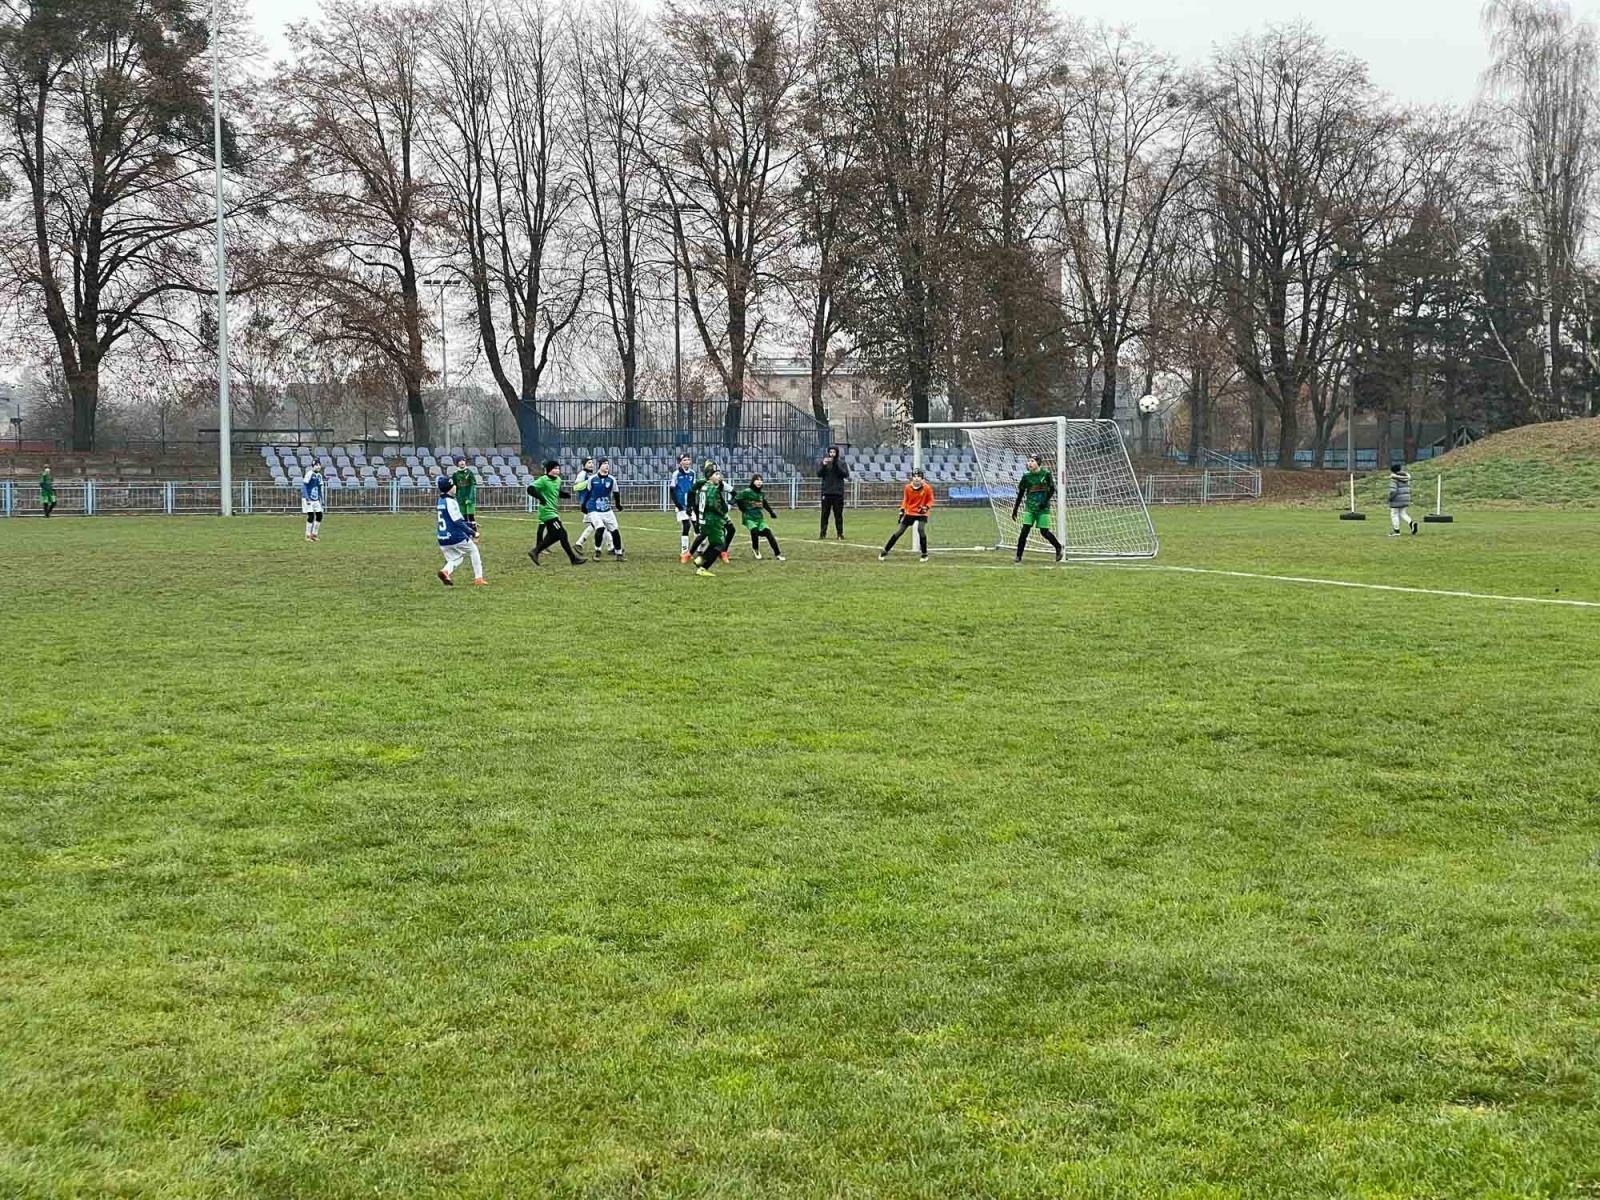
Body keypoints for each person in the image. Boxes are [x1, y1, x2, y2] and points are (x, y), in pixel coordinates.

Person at [526, 461, 587, 566]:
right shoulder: (543, 480)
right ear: (549, 470)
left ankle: (535, 551)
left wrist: (564, 494)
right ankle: (573, 559)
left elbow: (556, 492)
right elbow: (530, 489)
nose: (557, 470)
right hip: (547, 512)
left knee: (555, 535)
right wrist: (541, 498)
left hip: (553, 511)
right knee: (562, 533)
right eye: (555, 468)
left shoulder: (558, 480)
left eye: (558, 468)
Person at [1011, 454, 1064, 563]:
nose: (1029, 463)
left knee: (1044, 532)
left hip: (1043, 508)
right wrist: (1015, 509)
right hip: (1030, 507)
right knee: (1024, 531)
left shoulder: (1046, 474)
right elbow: (1021, 494)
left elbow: (1052, 489)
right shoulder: (1026, 476)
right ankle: (1018, 556)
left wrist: (1044, 501)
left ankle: (1058, 547)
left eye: (1032, 461)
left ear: (1038, 463)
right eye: (1028, 461)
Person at [436, 476, 486, 586]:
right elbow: (457, 521)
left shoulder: (441, 500)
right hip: (454, 536)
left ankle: (445, 571)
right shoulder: (451, 502)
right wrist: (473, 533)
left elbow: (450, 519)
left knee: (456, 559)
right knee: (473, 550)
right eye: (454, 485)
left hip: (442, 538)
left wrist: (470, 524)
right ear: (450, 488)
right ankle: (479, 578)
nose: (455, 487)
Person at [879, 468, 934, 562]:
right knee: (899, 531)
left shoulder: (927, 488)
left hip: (922, 512)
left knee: (920, 529)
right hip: (910, 512)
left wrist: (926, 507)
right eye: (915, 476)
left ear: (922, 479)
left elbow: (931, 500)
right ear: (912, 478)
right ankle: (885, 550)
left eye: (919, 477)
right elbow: (905, 500)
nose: (916, 478)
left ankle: (924, 554)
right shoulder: (908, 488)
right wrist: (902, 511)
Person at [581, 457, 624, 560]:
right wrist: (583, 505)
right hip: (594, 509)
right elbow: (588, 493)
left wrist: (618, 505)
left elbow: (616, 493)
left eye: (608, 463)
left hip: (607, 509)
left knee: (615, 531)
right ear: (600, 466)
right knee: (600, 528)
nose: (607, 465)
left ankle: (619, 553)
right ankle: (597, 551)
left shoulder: (612, 479)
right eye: (604, 463)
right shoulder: (592, 479)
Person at [736, 473, 785, 561]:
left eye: (761, 480)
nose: (759, 482)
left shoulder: (761, 494)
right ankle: (756, 549)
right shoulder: (747, 491)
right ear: (753, 481)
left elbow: (764, 503)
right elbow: (737, 498)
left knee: (768, 533)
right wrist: (742, 508)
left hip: (759, 518)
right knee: (754, 530)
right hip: (749, 517)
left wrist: (771, 512)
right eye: (757, 480)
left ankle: (778, 554)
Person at [695, 467, 732, 577]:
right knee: (720, 544)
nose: (719, 477)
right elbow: (713, 505)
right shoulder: (712, 488)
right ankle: (703, 568)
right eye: (716, 474)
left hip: (704, 520)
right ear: (710, 476)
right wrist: (722, 513)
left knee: (714, 542)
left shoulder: (703, 487)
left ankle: (700, 559)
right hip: (712, 520)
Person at [670, 453, 698, 562]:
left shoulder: (692, 473)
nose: (687, 461)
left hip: (690, 505)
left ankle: (699, 548)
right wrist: (677, 504)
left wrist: (693, 504)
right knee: (686, 526)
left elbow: (693, 489)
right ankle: (684, 551)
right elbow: (672, 490)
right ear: (680, 462)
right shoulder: (676, 474)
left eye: (688, 459)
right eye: (684, 460)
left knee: (697, 526)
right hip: (681, 505)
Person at [817, 446, 850, 539]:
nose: (832, 454)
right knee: (824, 515)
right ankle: (822, 534)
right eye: (830, 452)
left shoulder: (842, 463)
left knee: (838, 515)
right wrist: (823, 465)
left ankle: (840, 534)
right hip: (826, 493)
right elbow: (819, 474)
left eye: (834, 452)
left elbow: (845, 474)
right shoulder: (824, 463)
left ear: (837, 453)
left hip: (837, 493)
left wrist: (835, 465)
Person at [450, 456, 479, 538]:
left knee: (471, 515)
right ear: (457, 463)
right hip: (460, 497)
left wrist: (470, 497)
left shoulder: (469, 472)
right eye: (460, 461)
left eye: (463, 460)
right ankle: (467, 533)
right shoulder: (455, 474)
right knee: (464, 517)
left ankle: (475, 532)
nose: (462, 462)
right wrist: (456, 496)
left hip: (469, 497)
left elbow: (473, 485)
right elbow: (455, 486)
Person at [1389, 463, 1418, 537]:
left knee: (1394, 514)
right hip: (1405, 498)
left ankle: (1396, 531)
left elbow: (1393, 491)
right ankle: (1412, 523)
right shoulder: (1406, 478)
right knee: (1403, 513)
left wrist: (1390, 498)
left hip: (1396, 499)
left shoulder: (1394, 479)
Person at [301, 461, 325, 541]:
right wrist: (307, 497)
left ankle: (314, 534)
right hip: (308, 498)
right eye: (316, 465)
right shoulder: (309, 474)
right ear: (313, 466)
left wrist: (321, 498)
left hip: (316, 499)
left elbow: (319, 488)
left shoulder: (319, 476)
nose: (318, 467)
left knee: (319, 515)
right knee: (311, 516)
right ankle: (307, 535)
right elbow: (304, 485)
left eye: (319, 465)